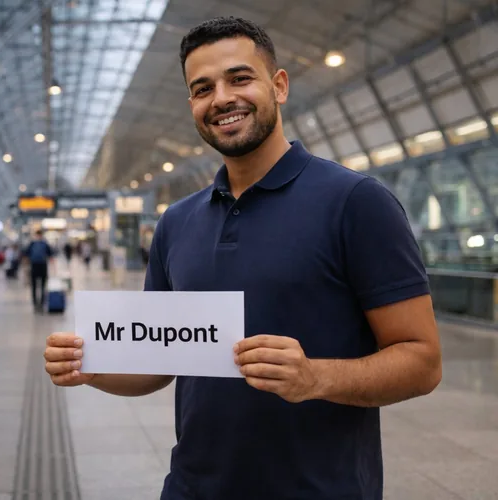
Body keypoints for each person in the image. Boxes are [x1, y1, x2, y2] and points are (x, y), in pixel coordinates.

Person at [43, 16, 442, 500]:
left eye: (240, 78)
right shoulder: (177, 222)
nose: (222, 99)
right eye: (203, 87)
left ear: (278, 86)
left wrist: (315, 377)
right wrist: (96, 368)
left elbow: (422, 362)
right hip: (192, 488)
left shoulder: (355, 202)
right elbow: (160, 362)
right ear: (192, 103)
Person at [24, 230, 53, 312]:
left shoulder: (38, 244)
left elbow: (50, 255)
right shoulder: (36, 244)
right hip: (37, 266)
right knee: (35, 286)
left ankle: (40, 303)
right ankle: (36, 304)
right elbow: (26, 255)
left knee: (42, 287)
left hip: (40, 266)